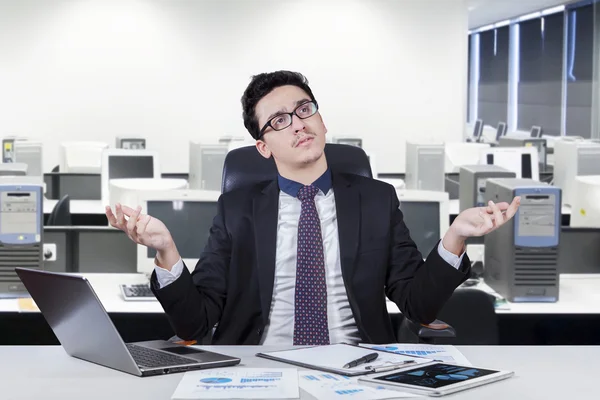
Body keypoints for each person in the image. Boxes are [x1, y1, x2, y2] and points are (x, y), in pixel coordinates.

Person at [105, 71, 520, 345]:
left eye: (304, 110)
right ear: (263, 147)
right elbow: (195, 324)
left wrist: (455, 237)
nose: (299, 123)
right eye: (280, 120)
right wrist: (166, 252)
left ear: (322, 122)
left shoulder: (375, 200)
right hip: (258, 369)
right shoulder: (238, 209)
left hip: (356, 368)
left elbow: (417, 305)